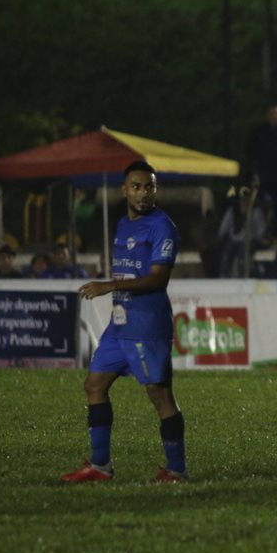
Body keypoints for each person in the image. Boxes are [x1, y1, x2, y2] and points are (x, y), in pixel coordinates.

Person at [62, 160, 187, 484]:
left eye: (149, 187)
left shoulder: (163, 227)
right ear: (125, 190)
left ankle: (176, 471)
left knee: (160, 397)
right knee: (94, 385)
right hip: (120, 325)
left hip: (147, 324)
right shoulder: (123, 224)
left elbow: (158, 280)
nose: (143, 193)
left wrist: (110, 286)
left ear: (156, 190)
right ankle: (100, 466)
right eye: (137, 186)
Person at [216, 186, 268, 278]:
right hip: (234, 240)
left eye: (246, 200)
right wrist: (220, 236)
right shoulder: (232, 211)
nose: (244, 203)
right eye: (242, 200)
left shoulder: (256, 212)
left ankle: (243, 278)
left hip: (249, 240)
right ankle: (224, 277)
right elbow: (224, 226)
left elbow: (260, 229)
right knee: (225, 257)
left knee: (242, 257)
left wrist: (262, 238)